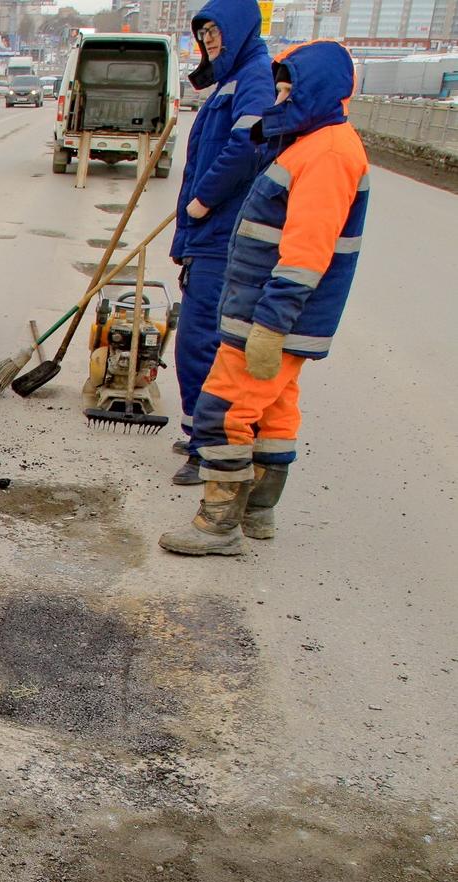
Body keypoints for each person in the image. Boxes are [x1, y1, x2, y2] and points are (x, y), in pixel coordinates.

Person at [159, 40, 370, 556]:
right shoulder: (311, 144)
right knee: (274, 412)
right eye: (278, 85)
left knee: (223, 409)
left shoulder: (326, 154)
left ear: (316, 89)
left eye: (289, 86)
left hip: (270, 317)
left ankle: (218, 525)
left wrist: (271, 326)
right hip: (270, 313)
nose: (280, 95)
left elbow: (306, 253)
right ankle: (259, 513)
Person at [169, 0, 274, 486]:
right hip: (208, 235)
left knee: (202, 342)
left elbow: (248, 145)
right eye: (203, 34)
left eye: (216, 33)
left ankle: (210, 449)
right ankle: (198, 435)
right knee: (198, 340)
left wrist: (201, 202)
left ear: (238, 31)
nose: (209, 41)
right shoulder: (230, 80)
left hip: (222, 236)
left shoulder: (254, 76)